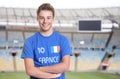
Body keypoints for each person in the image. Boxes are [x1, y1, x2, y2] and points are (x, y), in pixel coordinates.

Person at [21, 3, 72, 79]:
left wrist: (40, 69)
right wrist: (52, 75)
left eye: (48, 18)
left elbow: (65, 66)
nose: (45, 21)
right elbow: (30, 70)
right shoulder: (29, 42)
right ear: (37, 18)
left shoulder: (63, 40)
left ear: (53, 19)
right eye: (42, 18)